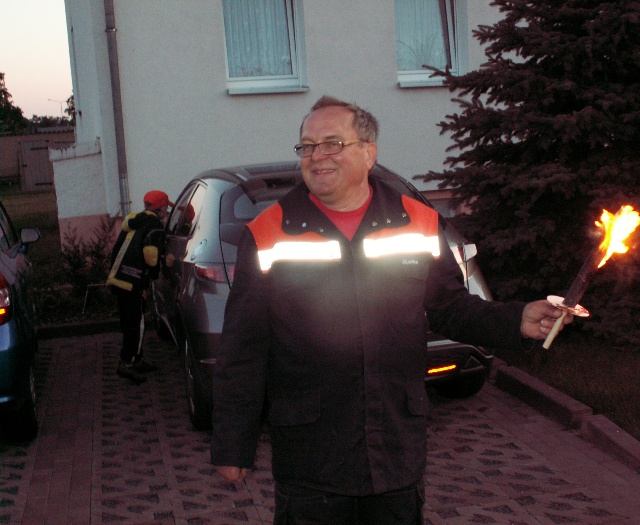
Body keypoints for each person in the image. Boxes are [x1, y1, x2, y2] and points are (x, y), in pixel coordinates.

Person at [211, 96, 572, 524]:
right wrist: (233, 444)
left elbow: (451, 308)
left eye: (332, 143)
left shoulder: (418, 222)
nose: (316, 156)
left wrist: (518, 320)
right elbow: (243, 347)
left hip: (394, 447)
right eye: (307, 146)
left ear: (369, 153)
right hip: (311, 456)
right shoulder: (269, 232)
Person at [107, 190, 171, 384]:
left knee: (129, 322)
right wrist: (154, 275)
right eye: (166, 208)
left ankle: (137, 359)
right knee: (136, 324)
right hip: (132, 282)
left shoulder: (134, 219)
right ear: (161, 208)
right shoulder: (155, 226)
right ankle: (126, 364)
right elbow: (150, 256)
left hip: (119, 277)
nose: (167, 212)